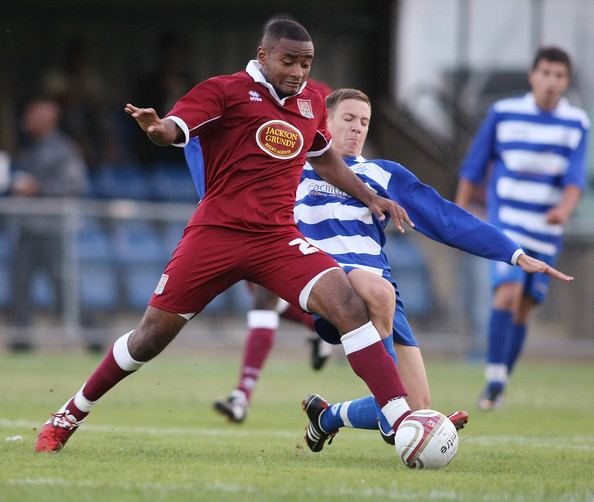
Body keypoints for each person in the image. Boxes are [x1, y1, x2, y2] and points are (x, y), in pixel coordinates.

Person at [34, 19, 418, 454]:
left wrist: (370, 196)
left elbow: (324, 155)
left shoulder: (311, 101)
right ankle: (69, 414)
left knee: (350, 304)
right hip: (216, 236)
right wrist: (159, 130)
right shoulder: (225, 91)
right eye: (288, 61)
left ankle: (401, 418)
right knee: (148, 340)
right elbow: (175, 128)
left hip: (276, 239)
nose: (298, 71)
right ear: (262, 56)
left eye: (305, 63)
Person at [293, 88, 574, 451]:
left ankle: (329, 417)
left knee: (416, 402)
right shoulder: (296, 169)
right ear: (325, 123)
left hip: (380, 286)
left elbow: (445, 218)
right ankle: (401, 422)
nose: (357, 128)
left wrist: (514, 253)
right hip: (329, 282)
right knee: (379, 309)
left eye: (364, 122)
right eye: (348, 119)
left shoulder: (383, 173)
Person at [455, 47, 589, 410]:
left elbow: (575, 176)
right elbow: (474, 165)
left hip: (546, 228)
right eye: (545, 73)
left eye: (558, 75)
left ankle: (500, 381)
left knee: (524, 308)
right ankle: (494, 382)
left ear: (567, 81)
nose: (550, 81)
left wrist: (564, 209)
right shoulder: (503, 113)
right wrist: (458, 213)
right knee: (508, 293)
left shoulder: (576, 122)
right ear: (532, 76)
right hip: (507, 221)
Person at [8, 97, 88, 351]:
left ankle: (93, 334)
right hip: (28, 229)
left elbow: (75, 185)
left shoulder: (64, 150)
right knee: (19, 283)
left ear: (47, 120)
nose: (26, 121)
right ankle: (21, 341)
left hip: (53, 231)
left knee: (62, 287)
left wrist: (38, 188)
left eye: (31, 116)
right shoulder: (29, 150)